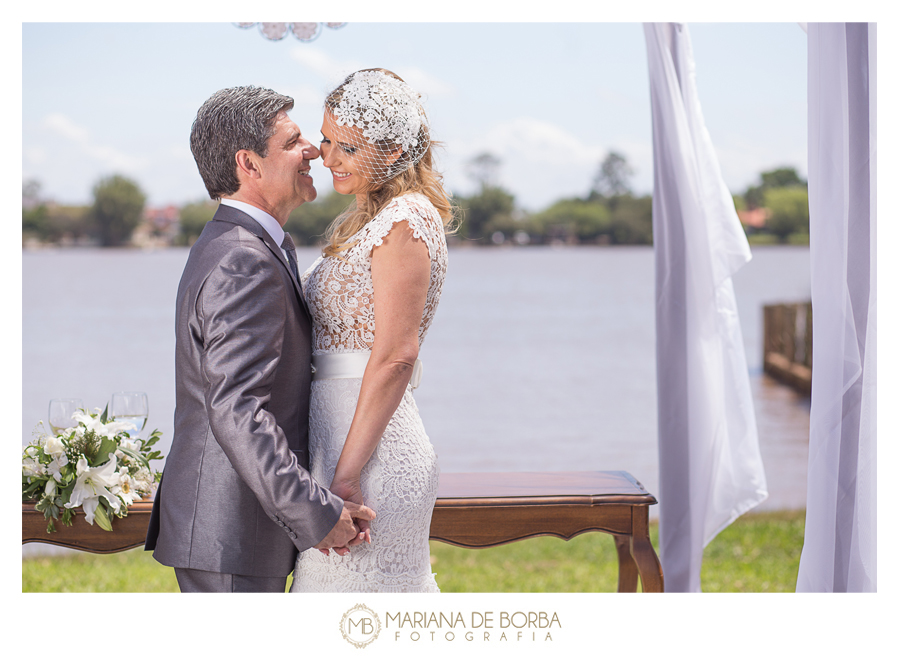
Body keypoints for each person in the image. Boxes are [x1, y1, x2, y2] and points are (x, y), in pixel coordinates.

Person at [145, 86, 375, 593]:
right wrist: (314, 512)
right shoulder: (242, 257)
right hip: (232, 533)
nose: (314, 150)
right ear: (249, 163)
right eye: (294, 142)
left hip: (238, 530)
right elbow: (237, 408)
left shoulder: (250, 243)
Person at [290, 69, 453, 593]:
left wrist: (345, 475)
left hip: (370, 458)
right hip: (334, 444)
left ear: (395, 148)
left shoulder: (405, 219)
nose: (328, 157)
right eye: (327, 140)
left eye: (348, 147)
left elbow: (396, 356)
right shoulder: (365, 219)